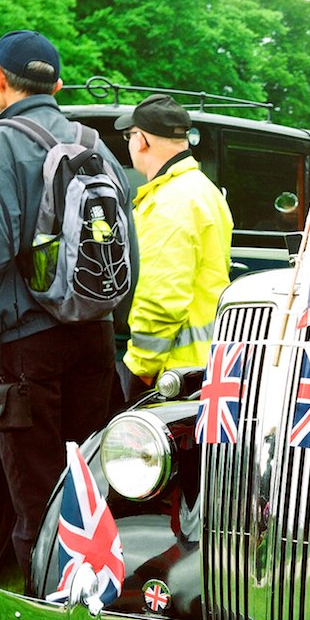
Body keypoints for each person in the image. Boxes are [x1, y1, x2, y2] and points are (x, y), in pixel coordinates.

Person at [0, 30, 137, 620]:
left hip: (24, 342)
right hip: (91, 332)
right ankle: (107, 603)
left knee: (35, 482)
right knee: (88, 473)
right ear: (55, 82)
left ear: (0, 80)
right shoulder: (88, 140)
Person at [113, 94, 233, 401]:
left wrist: (139, 366)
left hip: (172, 375)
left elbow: (162, 298)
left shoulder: (169, 203)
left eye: (129, 136)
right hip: (207, 362)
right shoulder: (202, 189)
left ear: (140, 140)